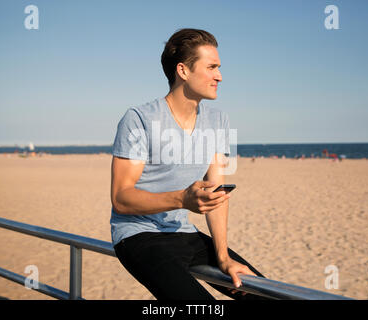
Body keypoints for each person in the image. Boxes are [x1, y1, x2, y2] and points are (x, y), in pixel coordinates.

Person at [110, 28, 266, 300]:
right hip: (139, 236)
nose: (220, 76)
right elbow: (121, 198)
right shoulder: (138, 118)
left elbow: (217, 194)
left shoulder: (220, 121)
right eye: (212, 67)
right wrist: (182, 199)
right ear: (183, 71)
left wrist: (223, 256)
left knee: (265, 293)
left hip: (185, 234)